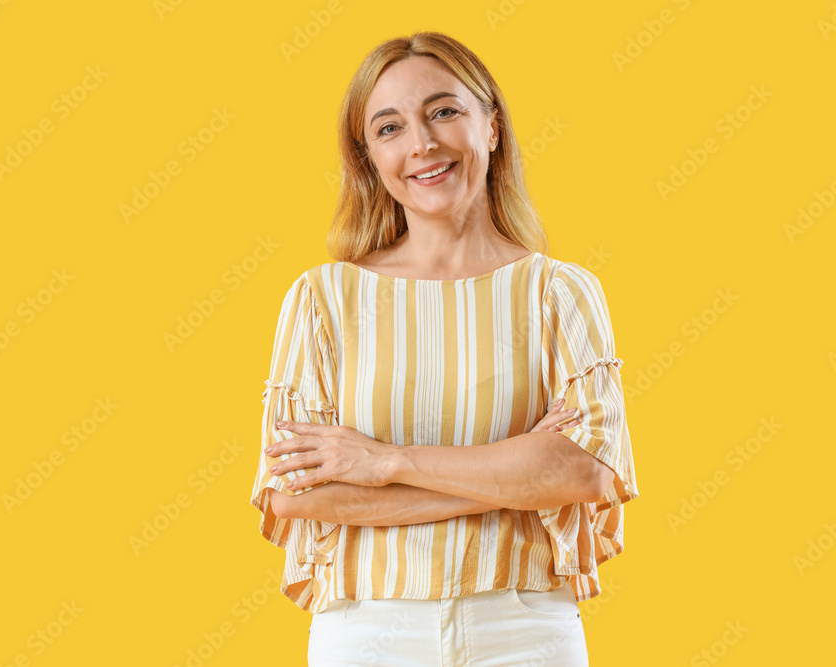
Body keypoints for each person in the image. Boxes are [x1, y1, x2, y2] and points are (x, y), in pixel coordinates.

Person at [249, 31, 639, 666]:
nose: (422, 144)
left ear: (490, 125)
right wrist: (516, 475)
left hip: (525, 629)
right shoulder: (323, 300)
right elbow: (297, 494)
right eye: (390, 128)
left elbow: (584, 472)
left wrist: (386, 461)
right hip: (366, 632)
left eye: (444, 111)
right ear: (369, 157)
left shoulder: (558, 292)